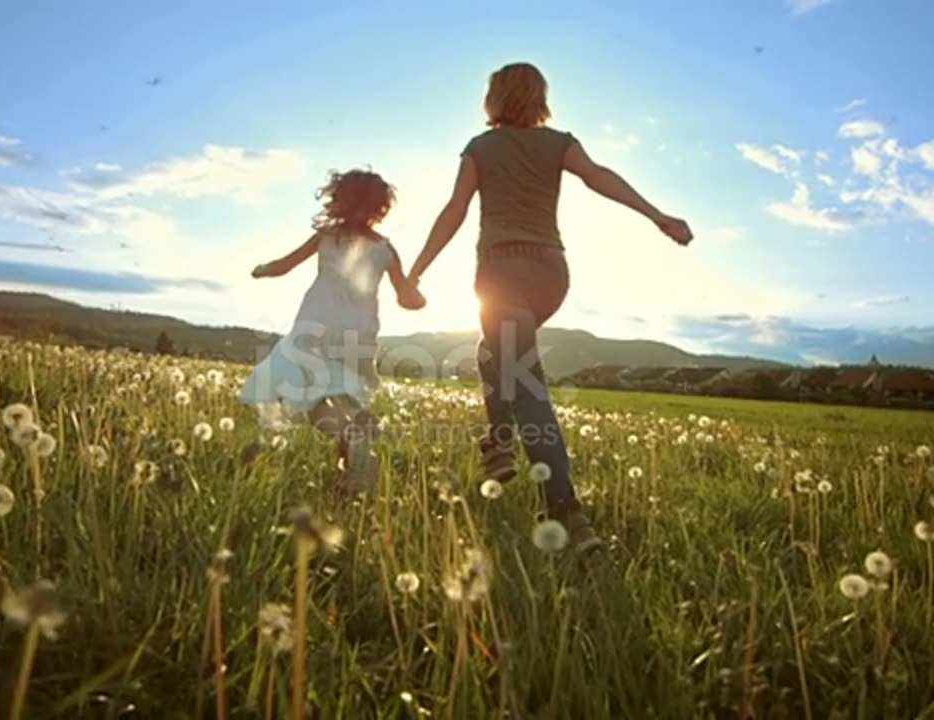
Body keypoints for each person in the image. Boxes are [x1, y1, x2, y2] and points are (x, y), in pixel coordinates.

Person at [405, 62, 693, 554]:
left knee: (525, 384)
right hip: (550, 276)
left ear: (493, 99)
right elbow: (599, 177)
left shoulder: (479, 147)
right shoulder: (559, 142)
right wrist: (657, 215)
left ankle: (567, 510)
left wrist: (415, 272)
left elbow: (455, 210)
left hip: (500, 271)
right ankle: (498, 445)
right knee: (491, 352)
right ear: (540, 98)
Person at [241, 168, 427, 494]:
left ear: (338, 200)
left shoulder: (327, 237)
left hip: (316, 327)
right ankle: (350, 474)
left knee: (303, 396)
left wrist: (260, 270)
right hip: (359, 334)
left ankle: (348, 440)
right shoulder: (385, 248)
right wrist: (418, 295)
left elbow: (284, 265)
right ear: (379, 208)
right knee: (345, 401)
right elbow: (408, 299)